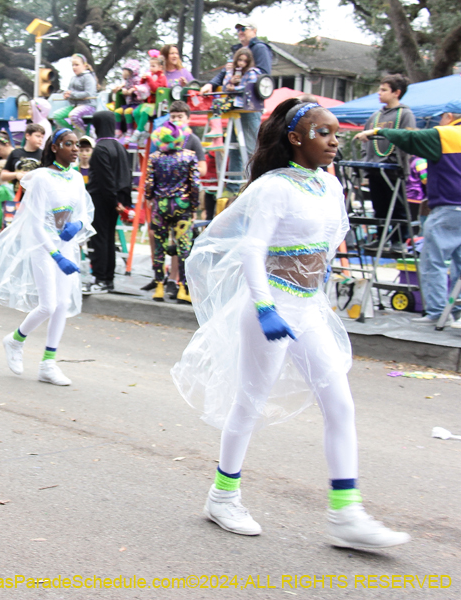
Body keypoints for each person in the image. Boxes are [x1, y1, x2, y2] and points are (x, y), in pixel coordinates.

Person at [171, 100, 410, 550]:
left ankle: (346, 514)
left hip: (306, 308)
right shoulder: (274, 188)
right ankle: (223, 496)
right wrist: (264, 307)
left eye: (336, 133)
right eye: (324, 133)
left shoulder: (329, 185)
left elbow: (325, 242)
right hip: (270, 309)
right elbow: (250, 249)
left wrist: (320, 289)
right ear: (296, 138)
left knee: (340, 404)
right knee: (249, 403)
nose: (335, 141)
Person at [0, 128, 95, 385]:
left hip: (66, 244)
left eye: (77, 145)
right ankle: (15, 340)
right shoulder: (41, 178)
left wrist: (78, 225)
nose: (74, 149)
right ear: (54, 148)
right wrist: (56, 255)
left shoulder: (77, 178)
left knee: (62, 305)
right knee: (48, 305)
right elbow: (35, 224)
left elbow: (84, 212)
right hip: (44, 246)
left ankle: (48, 364)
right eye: (68, 144)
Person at [356, 107, 461, 325]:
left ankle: (438, 312)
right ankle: (456, 310)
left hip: (448, 208)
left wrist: (377, 132)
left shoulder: (445, 134)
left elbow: (408, 136)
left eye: (441, 117)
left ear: (449, 117)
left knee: (434, 262)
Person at [201, 22, 273, 189]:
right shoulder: (236, 51)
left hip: (249, 104)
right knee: (235, 149)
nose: (240, 32)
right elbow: (224, 74)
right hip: (234, 105)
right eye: (238, 30)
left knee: (250, 147)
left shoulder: (260, 48)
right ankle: (233, 188)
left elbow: (263, 76)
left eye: (243, 29)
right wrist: (211, 84)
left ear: (254, 31)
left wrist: (240, 80)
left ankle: (257, 184)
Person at [144, 122, 200, 303]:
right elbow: (195, 185)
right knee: (184, 248)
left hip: (160, 207)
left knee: (159, 247)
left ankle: (159, 286)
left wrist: (150, 197)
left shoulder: (155, 158)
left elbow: (149, 185)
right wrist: (194, 206)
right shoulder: (189, 156)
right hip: (182, 207)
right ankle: (183, 288)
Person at [360, 74, 417, 253]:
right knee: (379, 207)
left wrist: (400, 161)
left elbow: (409, 139)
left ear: (396, 93)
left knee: (398, 206)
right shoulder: (375, 116)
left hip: (394, 169)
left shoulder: (405, 114)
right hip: (375, 168)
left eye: (384, 90)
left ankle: (399, 240)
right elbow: (364, 139)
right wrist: (365, 160)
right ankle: (380, 238)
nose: (379, 93)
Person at [84, 112, 130, 294]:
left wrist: (112, 199)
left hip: (101, 200)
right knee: (109, 238)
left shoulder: (101, 149)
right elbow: (125, 177)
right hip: (115, 201)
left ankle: (100, 278)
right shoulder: (120, 147)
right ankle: (107, 279)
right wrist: (121, 202)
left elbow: (105, 179)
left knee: (99, 239)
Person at [50, 54, 98, 135]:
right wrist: (66, 95)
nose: (74, 67)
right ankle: (73, 132)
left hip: (89, 106)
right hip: (75, 106)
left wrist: (72, 94)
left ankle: (87, 134)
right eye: (73, 65)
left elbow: (88, 93)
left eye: (77, 65)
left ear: (84, 66)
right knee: (57, 115)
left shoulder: (88, 77)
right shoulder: (73, 78)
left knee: (73, 115)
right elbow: (70, 92)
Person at [110, 59, 149, 142]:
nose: (123, 73)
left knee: (128, 112)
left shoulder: (137, 80)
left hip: (136, 104)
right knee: (117, 112)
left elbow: (140, 90)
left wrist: (132, 91)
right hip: (128, 104)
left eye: (125, 71)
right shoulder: (127, 81)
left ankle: (130, 130)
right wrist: (122, 90)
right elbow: (124, 87)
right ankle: (118, 130)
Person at [0, 124, 45, 189]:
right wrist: (16, 174)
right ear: (27, 136)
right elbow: (3, 175)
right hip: (19, 195)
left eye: (42, 137)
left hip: (37, 194)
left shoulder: (44, 154)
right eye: (38, 136)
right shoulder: (15, 153)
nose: (40, 140)